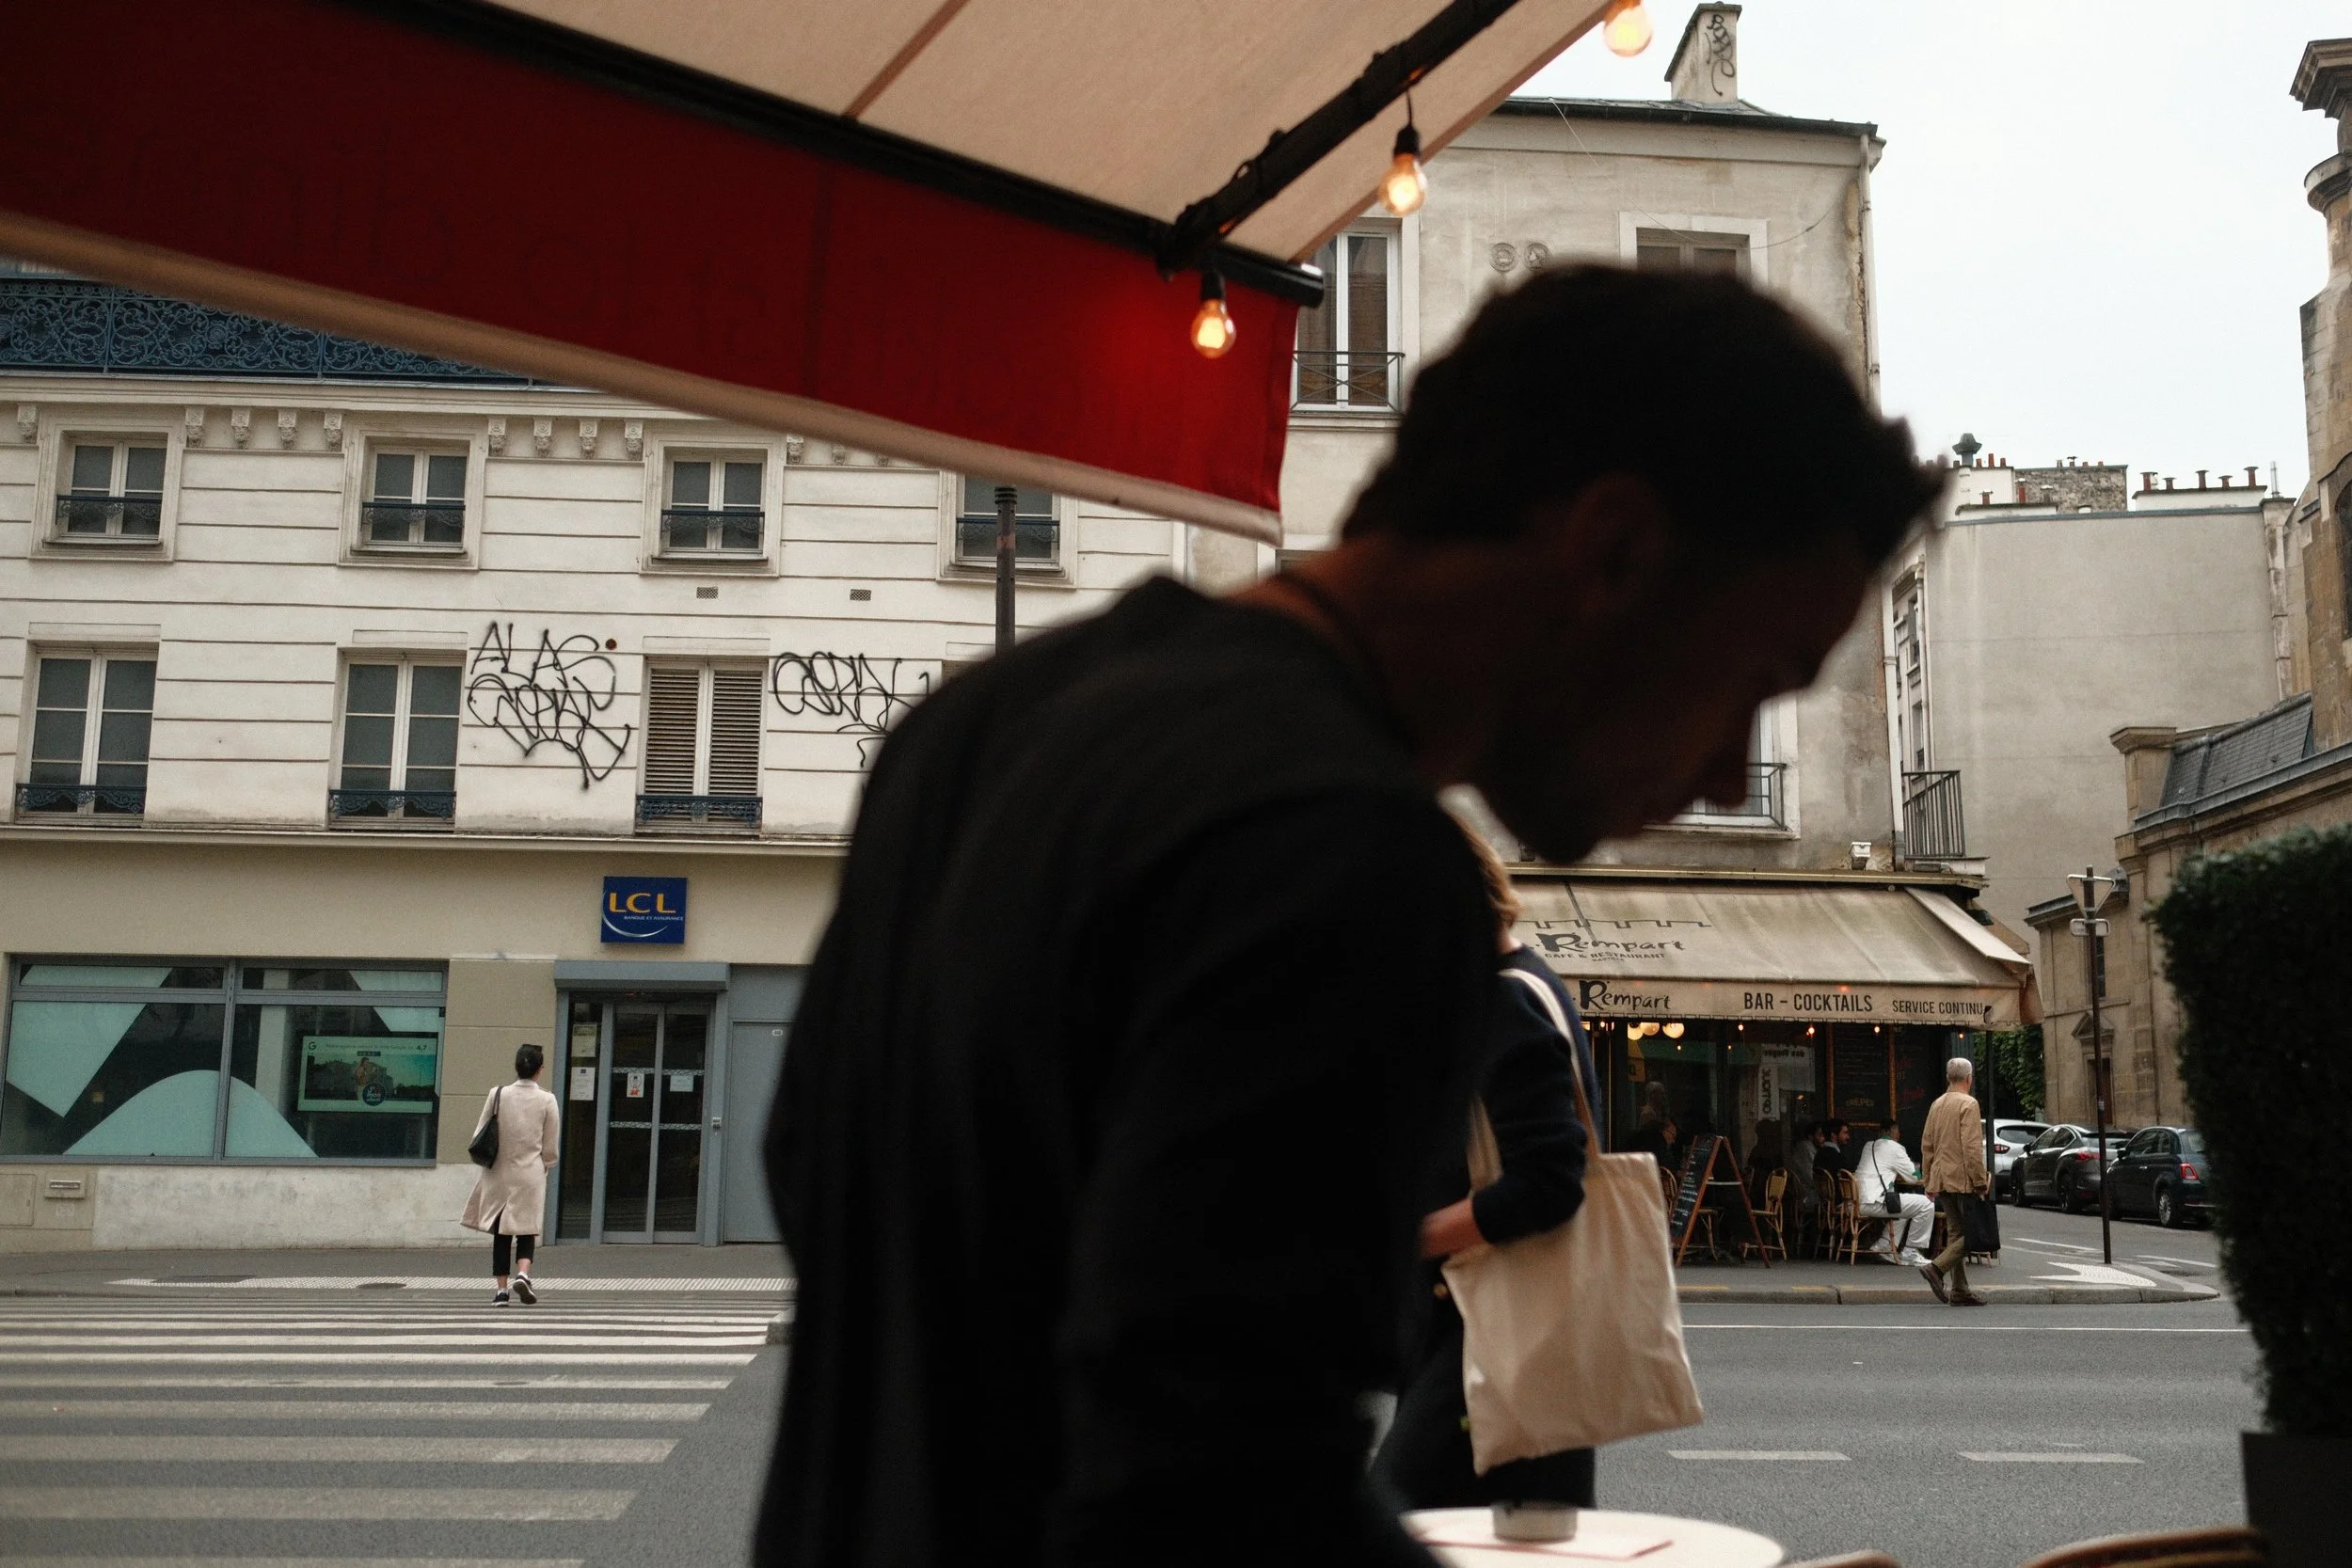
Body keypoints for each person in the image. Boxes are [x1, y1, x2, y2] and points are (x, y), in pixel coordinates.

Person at [757, 263, 1939, 1568]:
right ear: (1611, 551)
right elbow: (1216, 1494)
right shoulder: (1351, 855)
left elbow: (816, 1170)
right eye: (1755, 679)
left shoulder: (976, 725)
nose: (1726, 772)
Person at [1373, 825, 1598, 1512]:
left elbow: (1551, 1181)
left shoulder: (1504, 999)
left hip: (1494, 1342)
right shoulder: (1525, 986)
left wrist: (1404, 1235)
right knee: (1525, 1540)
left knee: (1399, 1515)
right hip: (1507, 1335)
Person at [460, 1042, 561, 1306]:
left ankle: (501, 1291)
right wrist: (547, 1165)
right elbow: (550, 1146)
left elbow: (479, 1133)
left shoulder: (498, 1094)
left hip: (499, 1172)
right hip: (530, 1173)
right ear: (540, 1069)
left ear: (516, 1067)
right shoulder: (547, 1100)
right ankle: (524, 1274)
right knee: (527, 1228)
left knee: (501, 1232)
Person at [1920, 1057, 1992, 1307]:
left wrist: (1929, 1179)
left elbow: (1927, 1144)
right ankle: (1936, 1268)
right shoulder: (1968, 1104)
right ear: (1969, 1079)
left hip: (1941, 1177)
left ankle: (1960, 1290)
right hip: (1962, 1178)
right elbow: (1972, 1147)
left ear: (1949, 1078)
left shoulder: (1937, 1104)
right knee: (1973, 1233)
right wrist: (1980, 1181)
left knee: (1956, 1232)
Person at [1852, 1127, 1934, 1266]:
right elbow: (1913, 1178)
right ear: (1896, 1135)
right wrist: (1916, 1169)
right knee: (1926, 1204)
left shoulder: (1868, 1146)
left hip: (1854, 1202)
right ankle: (1911, 1252)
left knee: (1901, 1206)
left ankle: (1884, 1244)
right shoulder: (1895, 1148)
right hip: (1874, 1202)